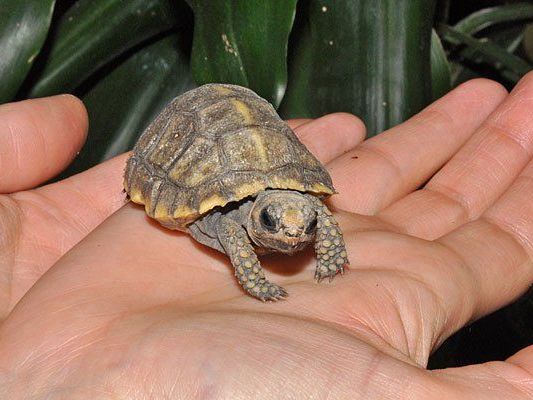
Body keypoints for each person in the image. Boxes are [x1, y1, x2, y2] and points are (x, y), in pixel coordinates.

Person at [0, 73, 532, 399]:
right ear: (261, 221)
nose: (293, 234)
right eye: (281, 225)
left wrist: (329, 252)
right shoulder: (234, 223)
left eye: (302, 222)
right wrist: (253, 279)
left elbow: (321, 217)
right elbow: (238, 239)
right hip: (193, 137)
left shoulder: (301, 213)